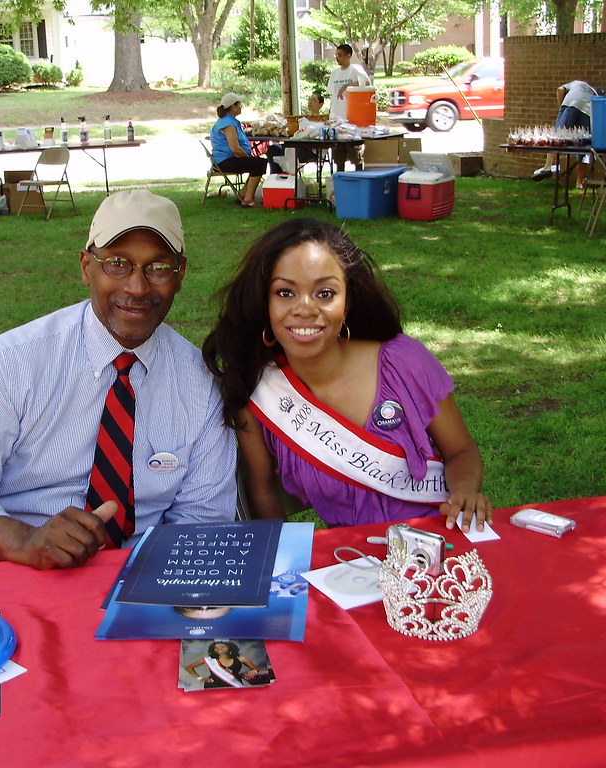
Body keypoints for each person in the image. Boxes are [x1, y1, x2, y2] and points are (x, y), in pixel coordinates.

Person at [0, 190, 237, 568]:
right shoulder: (15, 361)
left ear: (180, 276)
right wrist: (24, 541)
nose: (138, 287)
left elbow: (203, 520)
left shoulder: (201, 385)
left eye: (158, 268)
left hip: (144, 577)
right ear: (86, 267)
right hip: (16, 570)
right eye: (117, 263)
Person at [201, 218, 492, 532]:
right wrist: (284, 560)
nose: (305, 309)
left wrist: (464, 491)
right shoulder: (257, 391)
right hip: (347, 566)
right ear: (264, 301)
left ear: (348, 300)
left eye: (325, 293)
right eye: (285, 293)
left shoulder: (403, 362)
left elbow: (461, 451)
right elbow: (262, 492)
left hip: (437, 544)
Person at [532, 80, 601, 188]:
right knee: (584, 145)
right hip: (588, 111)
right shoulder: (595, 94)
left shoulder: (577, 83)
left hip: (570, 105)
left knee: (557, 136)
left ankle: (547, 168)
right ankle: (580, 182)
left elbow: (560, 90)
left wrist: (561, 107)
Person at [210, 92, 267, 207]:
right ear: (233, 107)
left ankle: (242, 194)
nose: (241, 106)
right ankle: (248, 200)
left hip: (225, 160)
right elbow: (235, 149)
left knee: (257, 162)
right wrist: (249, 157)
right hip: (225, 162)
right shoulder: (228, 124)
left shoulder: (228, 121)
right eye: (239, 104)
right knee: (259, 163)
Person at [327, 43, 371, 171]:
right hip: (337, 117)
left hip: (352, 119)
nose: (337, 58)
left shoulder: (355, 69)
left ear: (348, 56)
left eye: (340, 55)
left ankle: (359, 180)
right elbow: (332, 92)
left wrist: (347, 86)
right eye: (336, 55)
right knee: (339, 157)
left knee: (355, 155)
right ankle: (340, 181)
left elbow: (366, 82)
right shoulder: (335, 73)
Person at [185, 641, 263, 689]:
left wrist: (254, 672)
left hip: (233, 685)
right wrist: (200, 678)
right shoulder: (209, 660)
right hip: (212, 686)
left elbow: (256, 669)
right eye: (216, 647)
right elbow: (189, 667)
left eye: (222, 646)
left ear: (230, 648)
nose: (219, 649)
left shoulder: (241, 659)